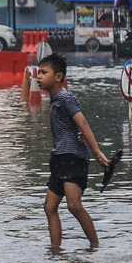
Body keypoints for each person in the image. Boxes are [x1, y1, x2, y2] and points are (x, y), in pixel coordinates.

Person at [36, 53, 111, 249]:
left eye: (44, 72)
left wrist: (97, 152)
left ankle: (95, 247)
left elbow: (82, 122)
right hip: (59, 158)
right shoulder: (55, 100)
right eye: (38, 72)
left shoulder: (65, 97)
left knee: (74, 205)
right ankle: (55, 252)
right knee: (49, 207)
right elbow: (74, 127)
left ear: (58, 76)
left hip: (73, 157)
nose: (39, 77)